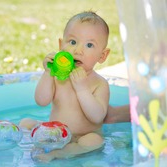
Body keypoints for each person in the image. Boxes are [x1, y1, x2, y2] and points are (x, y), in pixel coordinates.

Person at [19, 11, 128, 162]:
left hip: (83, 136)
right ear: (60, 45)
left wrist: (82, 89)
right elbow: (41, 100)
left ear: (102, 56)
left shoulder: (99, 84)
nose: (78, 50)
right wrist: (48, 73)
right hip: (56, 132)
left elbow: (97, 116)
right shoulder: (58, 77)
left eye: (89, 45)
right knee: (25, 123)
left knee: (94, 141)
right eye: (72, 42)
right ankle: (43, 142)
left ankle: (58, 153)